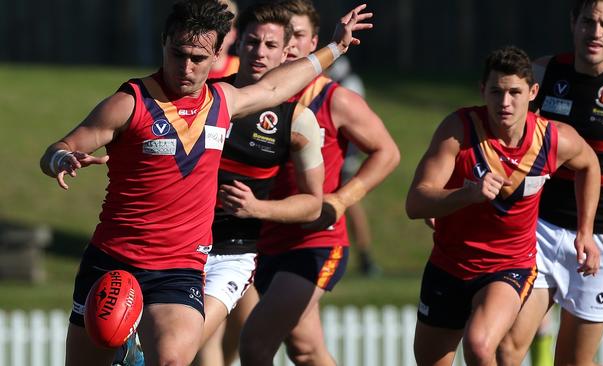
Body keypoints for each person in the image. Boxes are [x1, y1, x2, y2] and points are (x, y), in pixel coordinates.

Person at [38, 0, 372, 364]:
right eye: (178, 53)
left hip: (178, 269)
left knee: (172, 359)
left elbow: (276, 87)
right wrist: (62, 158)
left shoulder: (222, 102)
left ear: (216, 55)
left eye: (198, 58)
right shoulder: (129, 103)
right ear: (164, 42)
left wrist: (336, 47)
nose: (186, 67)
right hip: (114, 261)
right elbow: (58, 147)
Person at [405, 46, 601, 366]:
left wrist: (585, 231)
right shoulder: (459, 130)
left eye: (514, 92)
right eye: (496, 92)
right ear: (483, 90)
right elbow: (415, 202)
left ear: (533, 92)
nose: (505, 103)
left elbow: (590, 164)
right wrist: (464, 195)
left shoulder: (552, 139)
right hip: (449, 265)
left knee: (480, 345)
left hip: (508, 266)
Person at [238, 0, 401, 364]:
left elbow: (387, 153)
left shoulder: (332, 98)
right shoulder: (254, 95)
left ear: (315, 44)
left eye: (299, 36)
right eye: (285, 36)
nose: (290, 45)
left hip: (316, 240)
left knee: (254, 343)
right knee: (307, 350)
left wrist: (342, 200)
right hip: (264, 240)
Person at [498, 1, 603, 365]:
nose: (595, 33)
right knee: (506, 349)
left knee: (572, 362)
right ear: (573, 23)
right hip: (542, 228)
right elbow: (500, 137)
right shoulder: (544, 73)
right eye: (588, 22)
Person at [195, 3, 324, 366]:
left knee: (184, 342)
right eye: (252, 42)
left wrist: (256, 208)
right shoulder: (204, 98)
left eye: (270, 46)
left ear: (287, 53)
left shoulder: (298, 121)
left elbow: (313, 204)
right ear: (238, 44)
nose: (259, 52)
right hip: (180, 244)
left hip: (232, 253)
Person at [326, 56, 381, 276]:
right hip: (335, 152)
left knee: (349, 203)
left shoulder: (349, 84)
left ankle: (365, 256)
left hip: (344, 154)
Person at [208, 0, 239, 79]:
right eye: (211, 26)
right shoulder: (187, 67)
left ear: (234, 34)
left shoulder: (242, 68)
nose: (217, 33)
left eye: (224, 28)